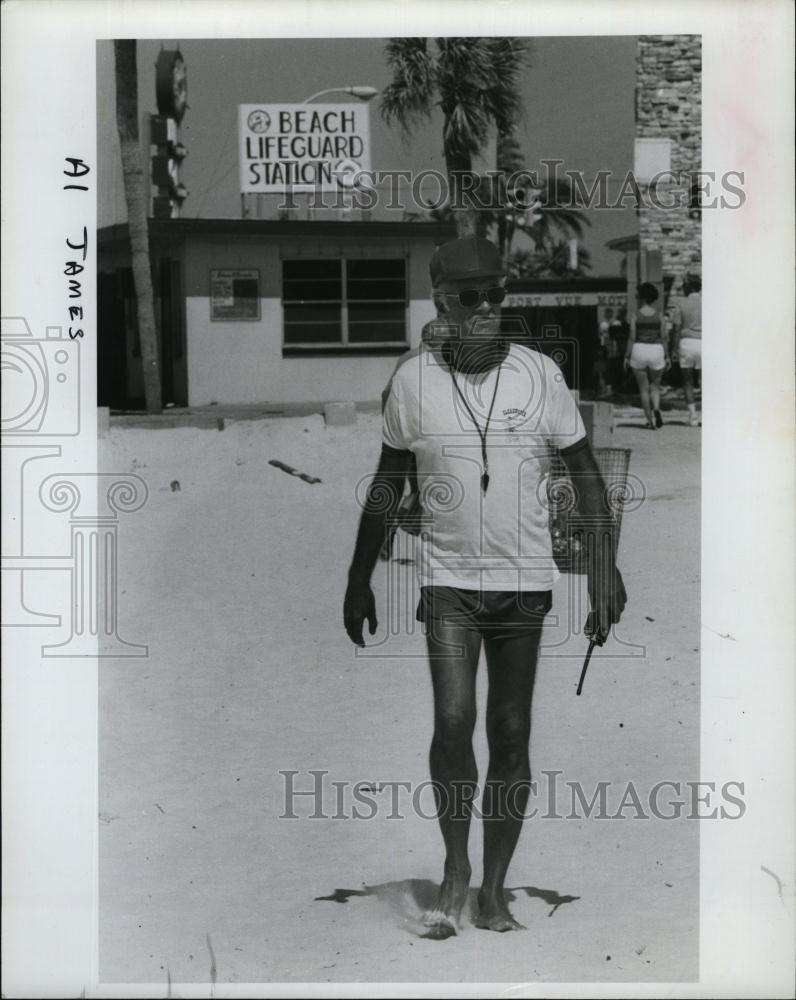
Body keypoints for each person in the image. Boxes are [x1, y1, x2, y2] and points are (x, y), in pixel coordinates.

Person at [343, 237, 627, 939]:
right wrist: (358, 576)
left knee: (510, 731)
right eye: (473, 296)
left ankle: (495, 887)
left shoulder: (539, 375)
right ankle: (455, 866)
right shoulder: (412, 381)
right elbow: (387, 482)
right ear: (443, 303)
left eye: (498, 293)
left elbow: (586, 473)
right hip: (447, 584)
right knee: (451, 722)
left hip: (524, 582)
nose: (489, 307)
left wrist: (602, 567)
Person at [624, 282, 670, 429]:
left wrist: (626, 356)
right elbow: (663, 337)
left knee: (643, 389)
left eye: (638, 295)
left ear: (642, 297)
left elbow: (631, 337)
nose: (636, 298)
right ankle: (656, 408)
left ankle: (650, 421)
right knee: (655, 387)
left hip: (639, 350)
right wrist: (667, 356)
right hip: (656, 350)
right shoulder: (659, 316)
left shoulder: (635, 315)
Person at [669, 269, 702, 426]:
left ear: (688, 288)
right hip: (704, 342)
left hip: (687, 342)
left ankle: (693, 416)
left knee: (688, 381)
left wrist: (673, 349)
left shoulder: (680, 304)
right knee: (704, 380)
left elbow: (676, 328)